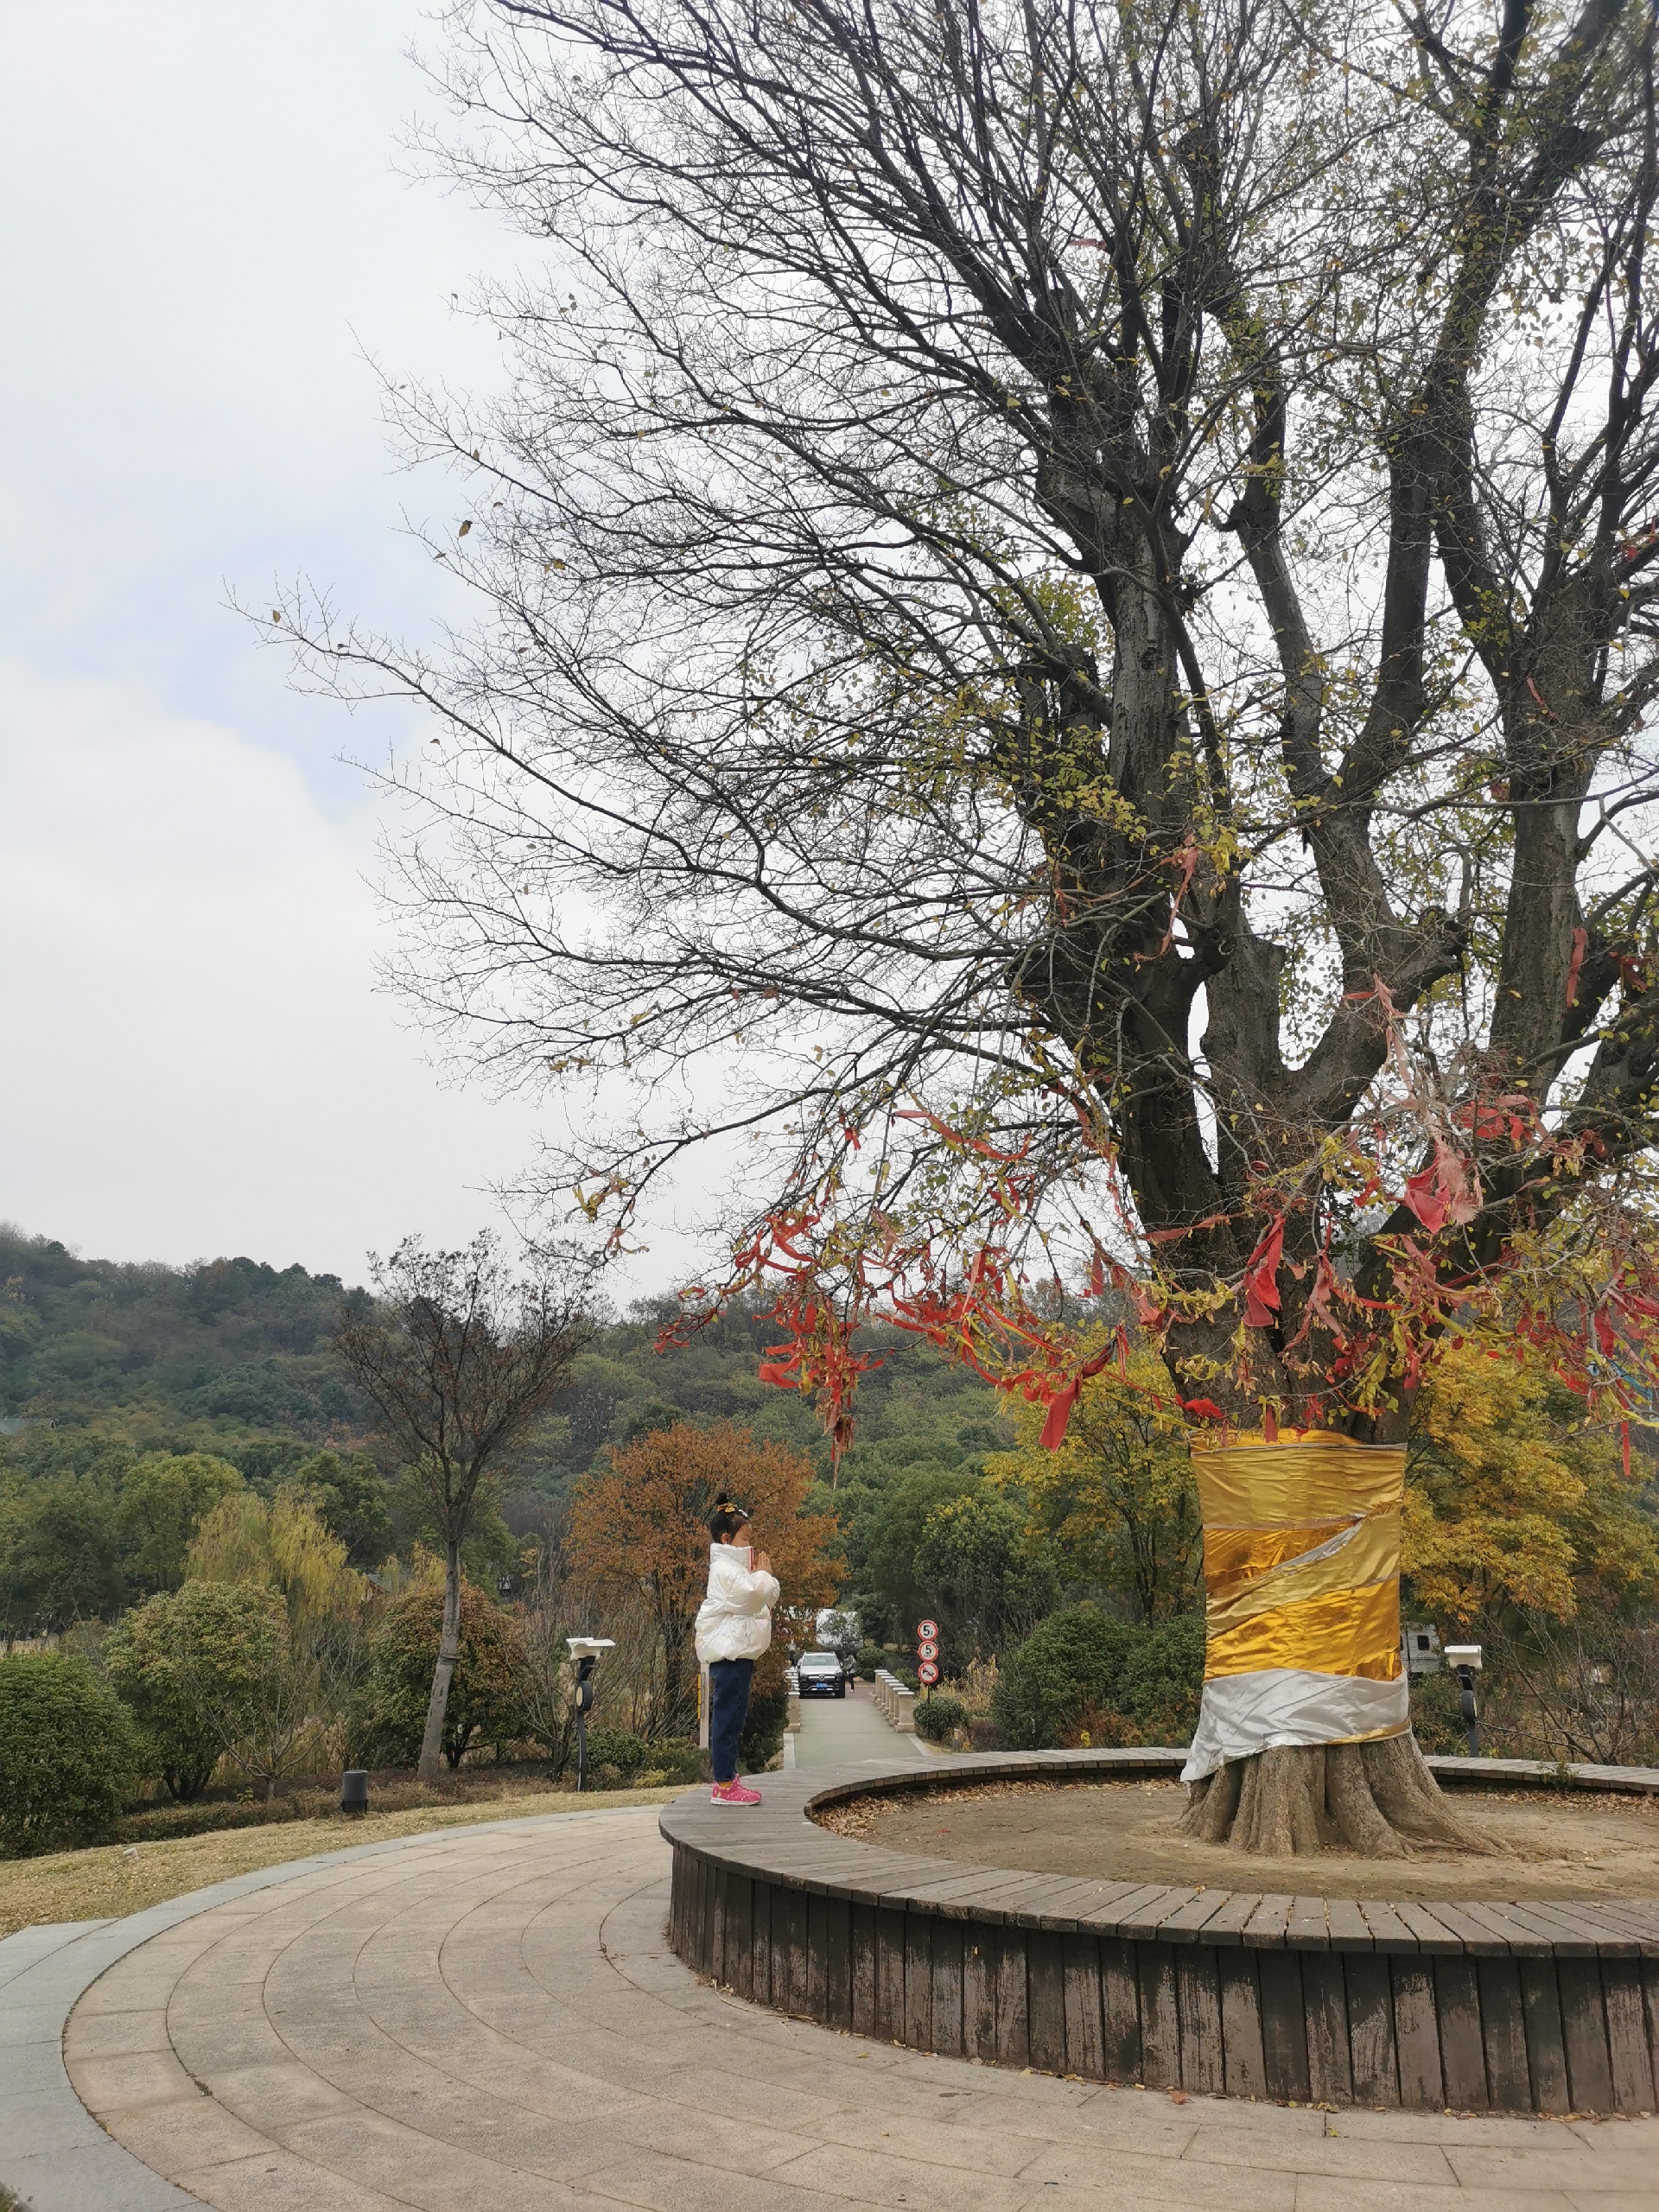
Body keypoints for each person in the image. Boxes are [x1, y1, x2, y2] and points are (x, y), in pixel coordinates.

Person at [694, 1497, 780, 1805]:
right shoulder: (725, 1570)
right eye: (745, 1538)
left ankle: (727, 1776)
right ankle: (725, 1784)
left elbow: (766, 1597)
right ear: (726, 1539)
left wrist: (764, 1580)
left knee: (733, 1714)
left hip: (738, 1652)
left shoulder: (735, 1568)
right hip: (730, 1654)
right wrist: (765, 1576)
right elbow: (755, 1596)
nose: (749, 1544)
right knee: (729, 1716)